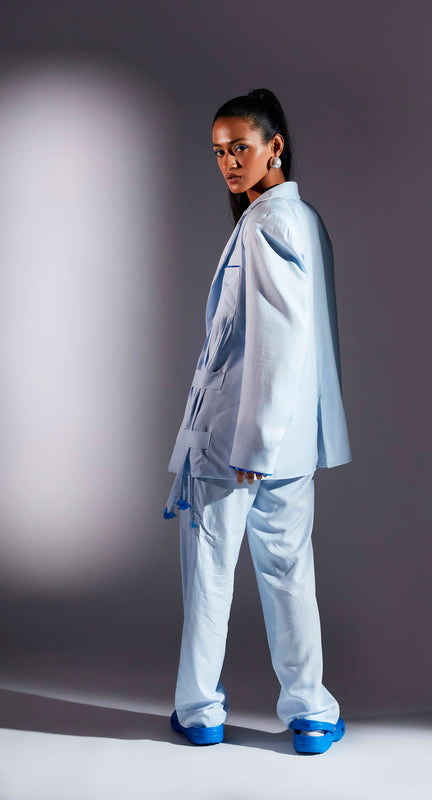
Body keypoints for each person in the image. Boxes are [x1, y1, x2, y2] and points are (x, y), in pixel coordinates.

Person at [163, 88, 351, 755]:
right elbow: (311, 343)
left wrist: (254, 442)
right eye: (219, 152)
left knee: (210, 575)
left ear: (275, 147)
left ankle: (199, 712)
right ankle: (311, 715)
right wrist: (280, 440)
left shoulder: (265, 223)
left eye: (239, 147)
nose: (228, 163)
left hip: (238, 442)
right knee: (288, 574)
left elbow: (278, 341)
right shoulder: (304, 219)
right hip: (289, 444)